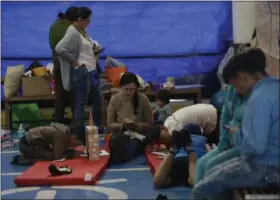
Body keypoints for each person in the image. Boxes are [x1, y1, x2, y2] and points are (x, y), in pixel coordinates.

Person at [191, 48, 280, 200]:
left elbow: (256, 147)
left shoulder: (258, 98)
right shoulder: (274, 87)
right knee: (212, 171)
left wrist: (237, 134)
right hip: (269, 163)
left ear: (242, 77)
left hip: (265, 168)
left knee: (201, 190)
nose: (237, 90)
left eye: (235, 85)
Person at [55, 7, 104, 143]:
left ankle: (97, 127)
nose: (89, 23)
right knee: (81, 103)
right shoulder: (72, 32)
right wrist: (74, 60)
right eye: (87, 20)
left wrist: (95, 48)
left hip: (90, 69)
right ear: (79, 19)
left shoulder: (82, 32)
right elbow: (59, 48)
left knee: (97, 98)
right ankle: (80, 134)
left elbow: (85, 46)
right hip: (81, 71)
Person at [194, 85, 247, 184]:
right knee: (201, 164)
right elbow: (225, 115)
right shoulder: (232, 89)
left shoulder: (255, 98)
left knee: (211, 166)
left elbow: (252, 143)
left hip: (242, 148)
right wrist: (223, 144)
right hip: (229, 143)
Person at [107, 72, 153, 163]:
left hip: (138, 135)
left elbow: (149, 124)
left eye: (132, 89)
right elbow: (109, 124)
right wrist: (123, 126)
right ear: (121, 87)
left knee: (127, 149)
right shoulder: (115, 99)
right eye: (126, 89)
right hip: (120, 134)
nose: (129, 92)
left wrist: (135, 126)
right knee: (116, 141)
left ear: (136, 88)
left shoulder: (143, 99)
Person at [49, 6, 79, 123]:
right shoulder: (73, 28)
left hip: (57, 63)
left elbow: (52, 45)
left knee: (60, 94)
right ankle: (76, 123)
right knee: (74, 94)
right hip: (71, 63)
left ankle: (59, 123)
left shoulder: (54, 26)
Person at [12, 123, 81, 165]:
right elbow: (57, 156)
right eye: (77, 143)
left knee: (51, 152)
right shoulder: (60, 134)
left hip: (32, 143)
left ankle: (29, 155)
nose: (76, 145)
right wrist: (72, 154)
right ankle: (21, 159)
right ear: (73, 136)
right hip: (25, 145)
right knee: (49, 156)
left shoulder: (64, 131)